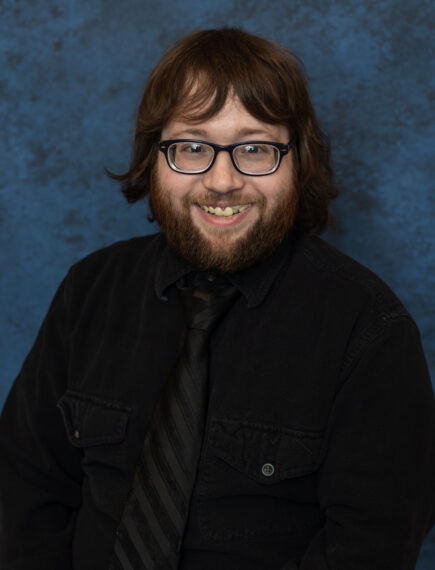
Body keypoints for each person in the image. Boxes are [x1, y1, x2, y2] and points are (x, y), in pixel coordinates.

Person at [0, 27, 434, 570]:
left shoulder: (369, 329)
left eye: (254, 148)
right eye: (191, 147)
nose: (222, 180)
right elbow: (25, 493)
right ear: (154, 157)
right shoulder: (89, 290)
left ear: (297, 160)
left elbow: (370, 547)